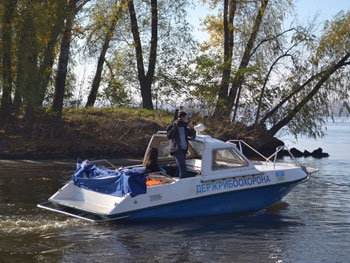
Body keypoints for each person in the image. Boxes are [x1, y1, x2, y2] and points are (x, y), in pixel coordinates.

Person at [166, 110, 196, 178]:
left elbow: (193, 136)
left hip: (183, 149)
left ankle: (175, 179)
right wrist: (175, 126)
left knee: (179, 168)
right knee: (183, 168)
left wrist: (192, 128)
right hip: (177, 150)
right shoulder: (172, 126)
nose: (187, 119)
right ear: (181, 118)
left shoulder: (185, 127)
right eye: (185, 118)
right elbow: (169, 136)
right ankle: (182, 183)